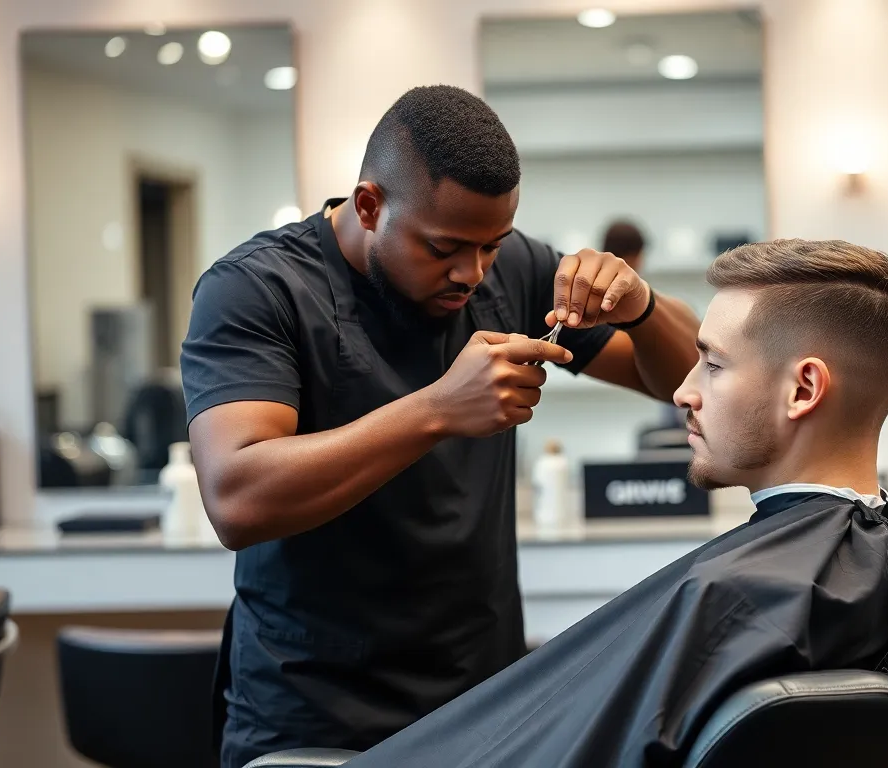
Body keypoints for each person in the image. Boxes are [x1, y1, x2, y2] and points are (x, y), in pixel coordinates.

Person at [180, 85, 701, 768]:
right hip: (311, 715)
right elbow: (237, 497)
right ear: (369, 205)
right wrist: (435, 410)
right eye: (445, 247)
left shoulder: (510, 269)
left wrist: (642, 306)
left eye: (492, 245)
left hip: (482, 702)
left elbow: (692, 379)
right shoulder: (259, 289)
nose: (472, 271)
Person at [345, 239, 888, 768]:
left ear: (803, 390)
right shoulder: (885, 559)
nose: (683, 390)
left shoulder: (738, 595)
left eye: (714, 363)